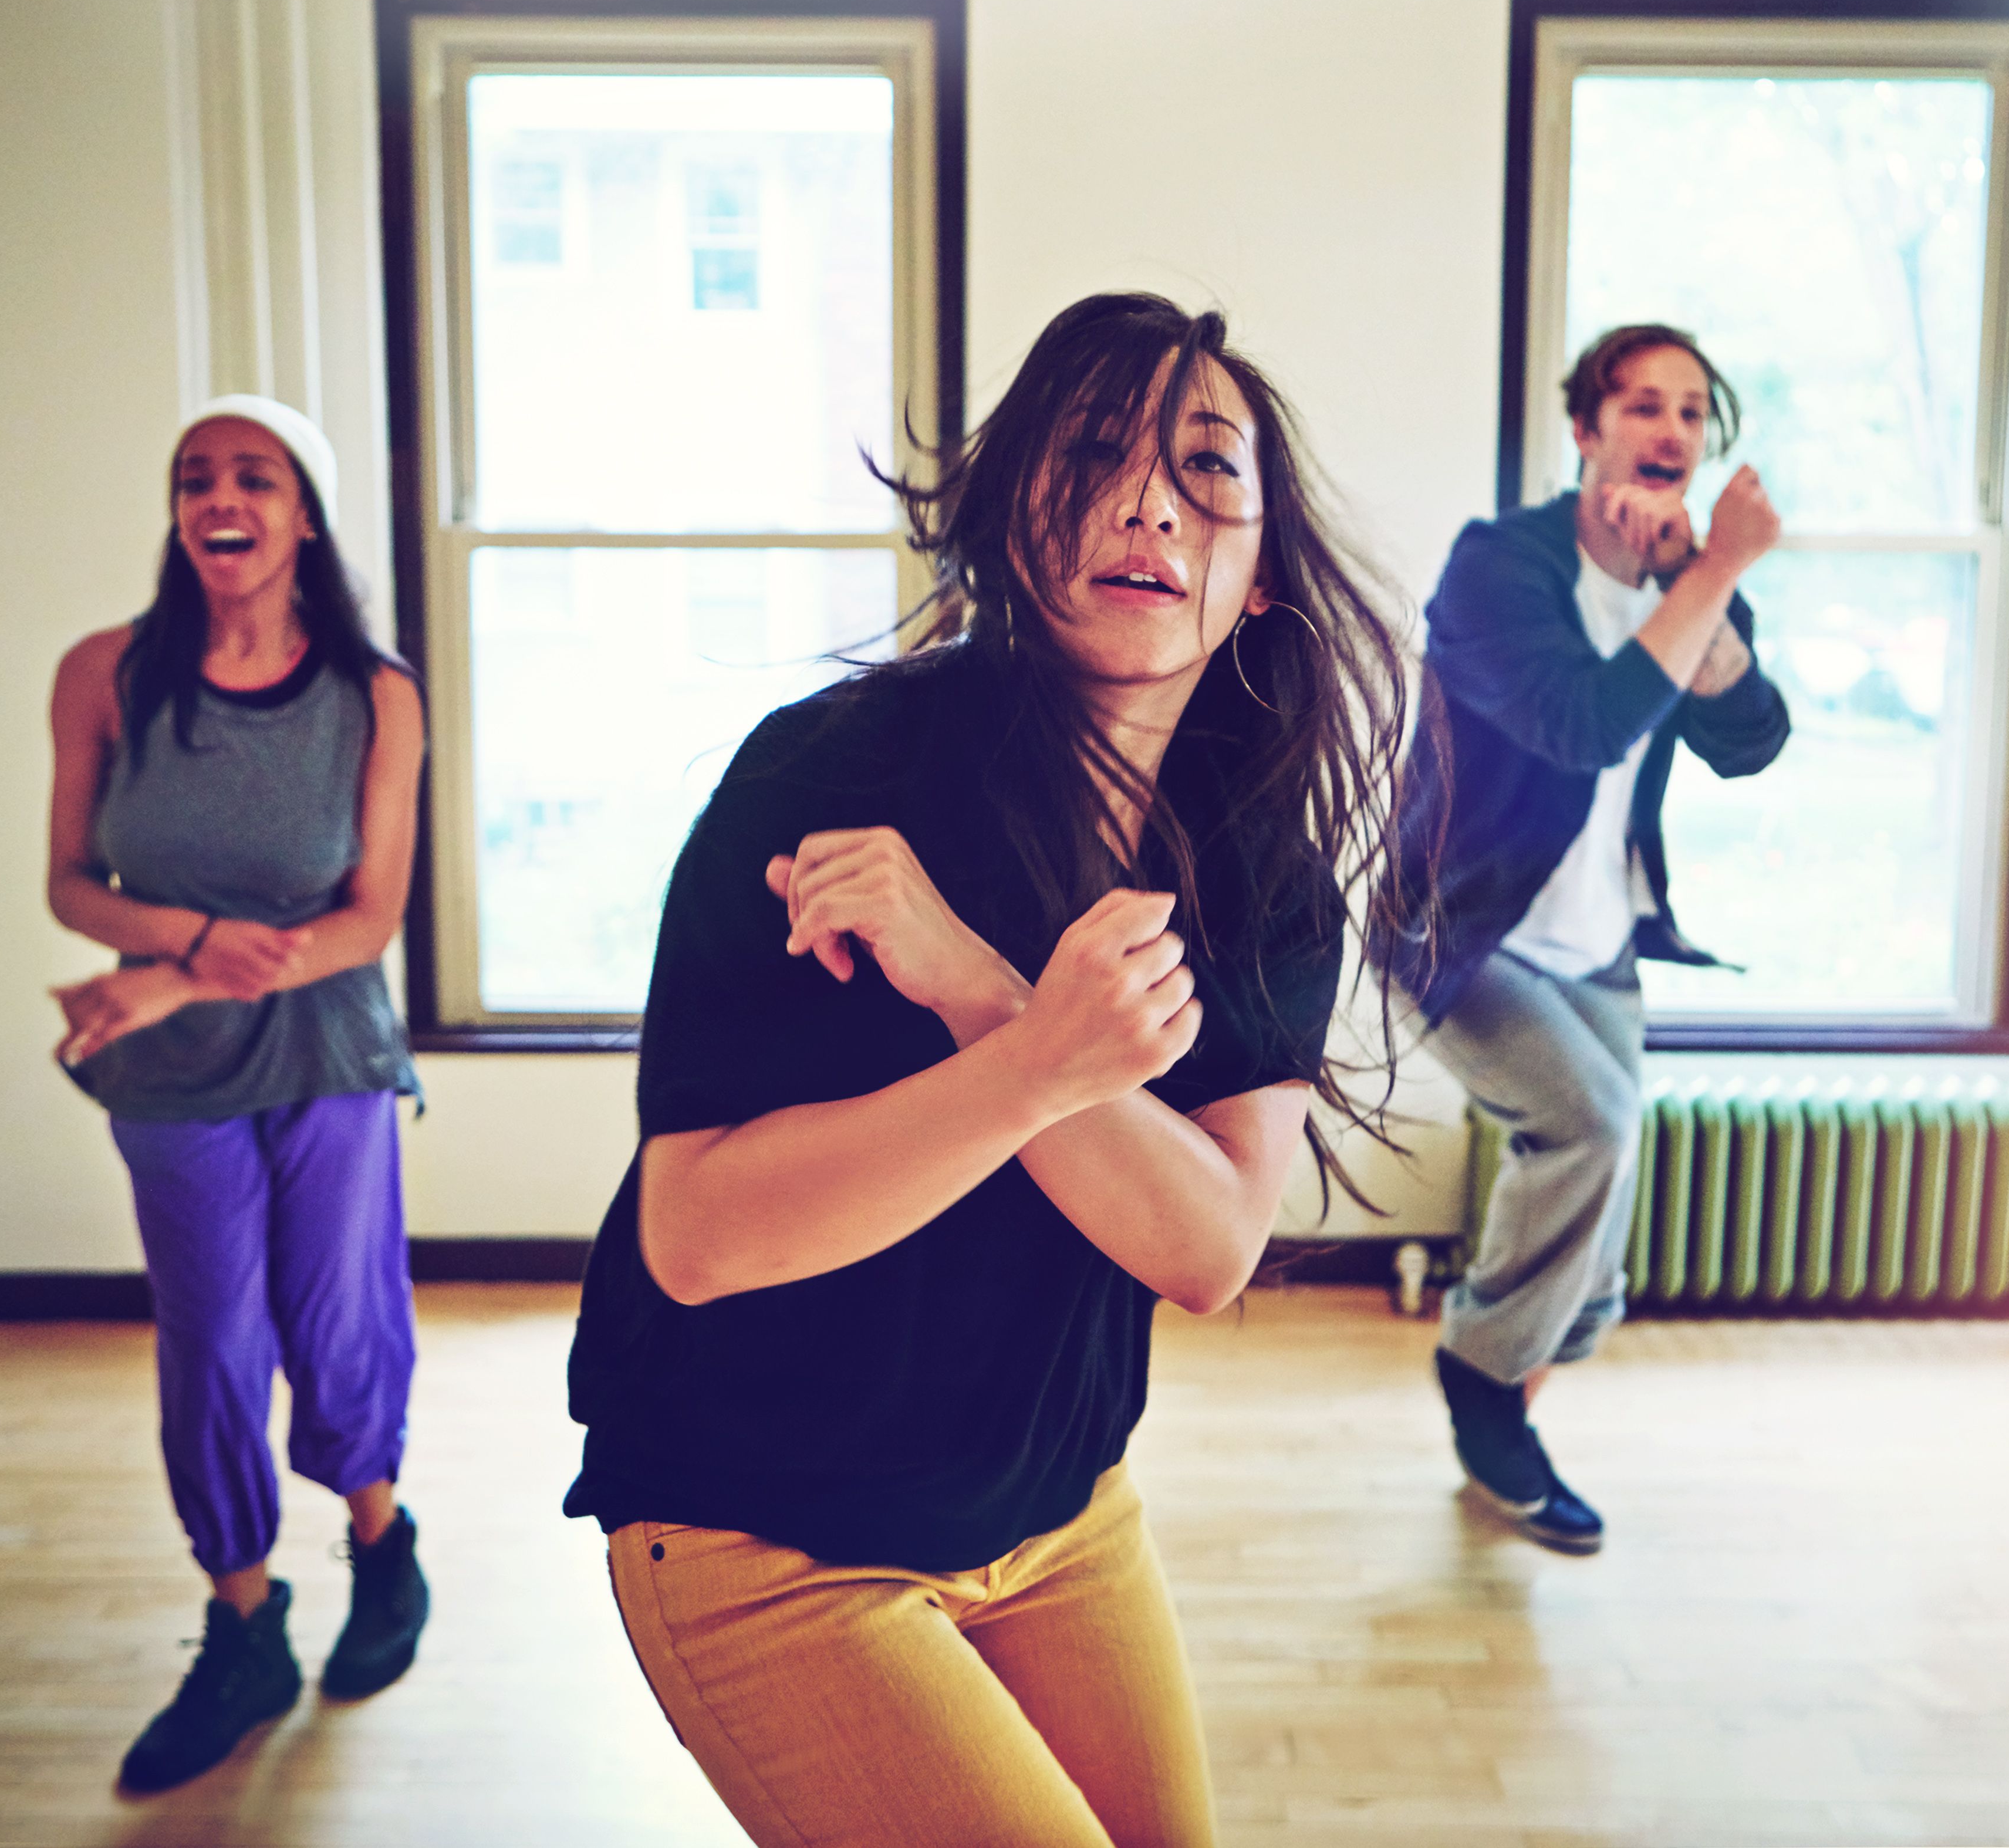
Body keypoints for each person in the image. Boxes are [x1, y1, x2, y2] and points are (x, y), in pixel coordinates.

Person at [562, 293, 1417, 1847]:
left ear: (1258, 578)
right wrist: (1035, 1068)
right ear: (1013, 507)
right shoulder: (834, 777)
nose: (1149, 499)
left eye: (1206, 471)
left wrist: (983, 999)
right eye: (1093, 452)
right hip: (768, 1525)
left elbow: (1206, 1241)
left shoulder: (1259, 856)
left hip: (1057, 1513)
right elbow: (697, 1238)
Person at [43, 394, 431, 1792]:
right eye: (197, 475)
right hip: (174, 1073)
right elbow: (72, 883)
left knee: (333, 1319)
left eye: (255, 476)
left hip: (326, 1046)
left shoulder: (374, 693)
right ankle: (244, 1618)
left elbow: (367, 919)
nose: (223, 495)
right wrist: (190, 955)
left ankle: (383, 1548)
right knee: (211, 1339)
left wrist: (165, 976)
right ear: (178, 512)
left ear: (303, 517)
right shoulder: (105, 673)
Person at [1377, 323, 1790, 1553]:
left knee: (1595, 1268)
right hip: (1464, 927)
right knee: (1592, 1127)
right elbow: (1582, 724)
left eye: (1691, 412)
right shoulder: (1500, 565)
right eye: (1643, 405)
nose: (1672, 430)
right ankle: (1483, 1390)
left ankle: (1500, 1447)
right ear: (1586, 430)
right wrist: (1712, 569)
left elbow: (1752, 736)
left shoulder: (1683, 574)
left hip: (1599, 935)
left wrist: (1694, 585)